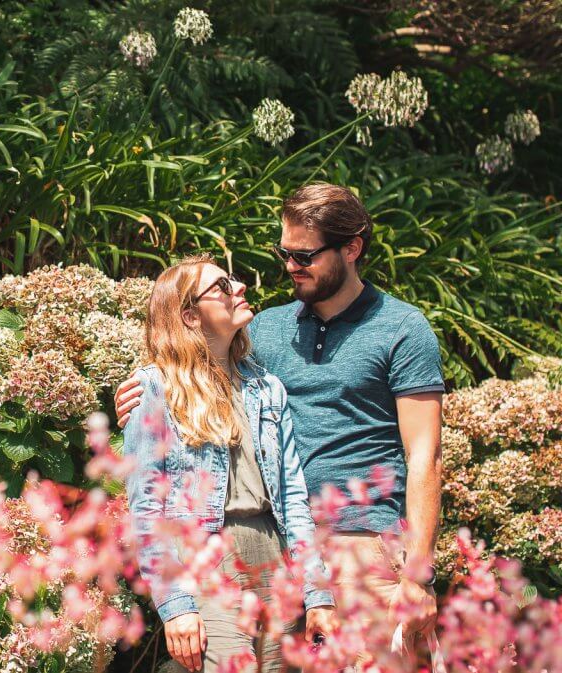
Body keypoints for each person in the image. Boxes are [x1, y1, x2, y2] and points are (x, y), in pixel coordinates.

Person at [117, 183, 444, 655]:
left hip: (362, 543)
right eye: (285, 252)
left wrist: (418, 572)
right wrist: (136, 397)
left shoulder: (402, 329)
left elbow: (424, 457)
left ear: (352, 248)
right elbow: (193, 377)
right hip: (280, 551)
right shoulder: (266, 329)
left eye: (305, 256)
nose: (291, 266)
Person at [124, 254, 336, 673]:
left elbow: (293, 498)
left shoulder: (266, 388)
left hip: (273, 555)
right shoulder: (156, 389)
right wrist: (174, 605)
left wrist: (317, 593)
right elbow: (146, 511)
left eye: (234, 281)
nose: (238, 287)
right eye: (221, 286)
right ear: (188, 314)